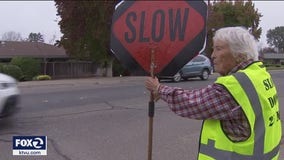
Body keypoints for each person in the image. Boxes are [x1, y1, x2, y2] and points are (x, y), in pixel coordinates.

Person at [145, 26, 282, 160]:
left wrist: (159, 89)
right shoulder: (259, 75)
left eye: (218, 48)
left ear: (239, 53)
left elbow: (192, 103)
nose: (212, 55)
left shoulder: (235, 85)